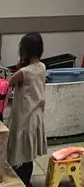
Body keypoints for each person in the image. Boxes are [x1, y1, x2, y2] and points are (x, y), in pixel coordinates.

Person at [7, 33, 47, 186]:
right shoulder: (42, 67)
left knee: (20, 152)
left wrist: (19, 67)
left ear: (25, 51)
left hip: (24, 117)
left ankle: (22, 181)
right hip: (35, 116)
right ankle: (26, 180)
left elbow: (9, 82)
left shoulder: (24, 72)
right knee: (28, 153)